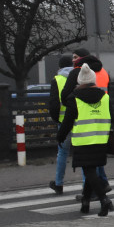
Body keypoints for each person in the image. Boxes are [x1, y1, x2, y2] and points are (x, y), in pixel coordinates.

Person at [57, 65, 114, 216]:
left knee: (88, 170)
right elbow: (112, 117)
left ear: (80, 81)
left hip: (83, 141)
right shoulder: (105, 97)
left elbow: (67, 122)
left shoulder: (74, 99)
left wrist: (60, 137)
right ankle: (86, 201)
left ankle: (104, 199)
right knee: (91, 170)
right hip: (101, 139)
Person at [61, 48, 111, 195]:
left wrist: (72, 101)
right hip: (101, 122)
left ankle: (95, 193)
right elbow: (109, 95)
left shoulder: (77, 72)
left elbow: (65, 96)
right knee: (96, 161)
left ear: (82, 59)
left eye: (75, 57)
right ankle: (100, 185)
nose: (73, 60)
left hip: (83, 124)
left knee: (87, 165)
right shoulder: (103, 72)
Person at [47, 54, 75, 194]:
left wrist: (57, 119)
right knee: (80, 154)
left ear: (60, 67)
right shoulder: (78, 76)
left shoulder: (57, 80)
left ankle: (59, 184)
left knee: (62, 153)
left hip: (63, 122)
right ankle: (86, 184)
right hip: (79, 121)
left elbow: (53, 104)